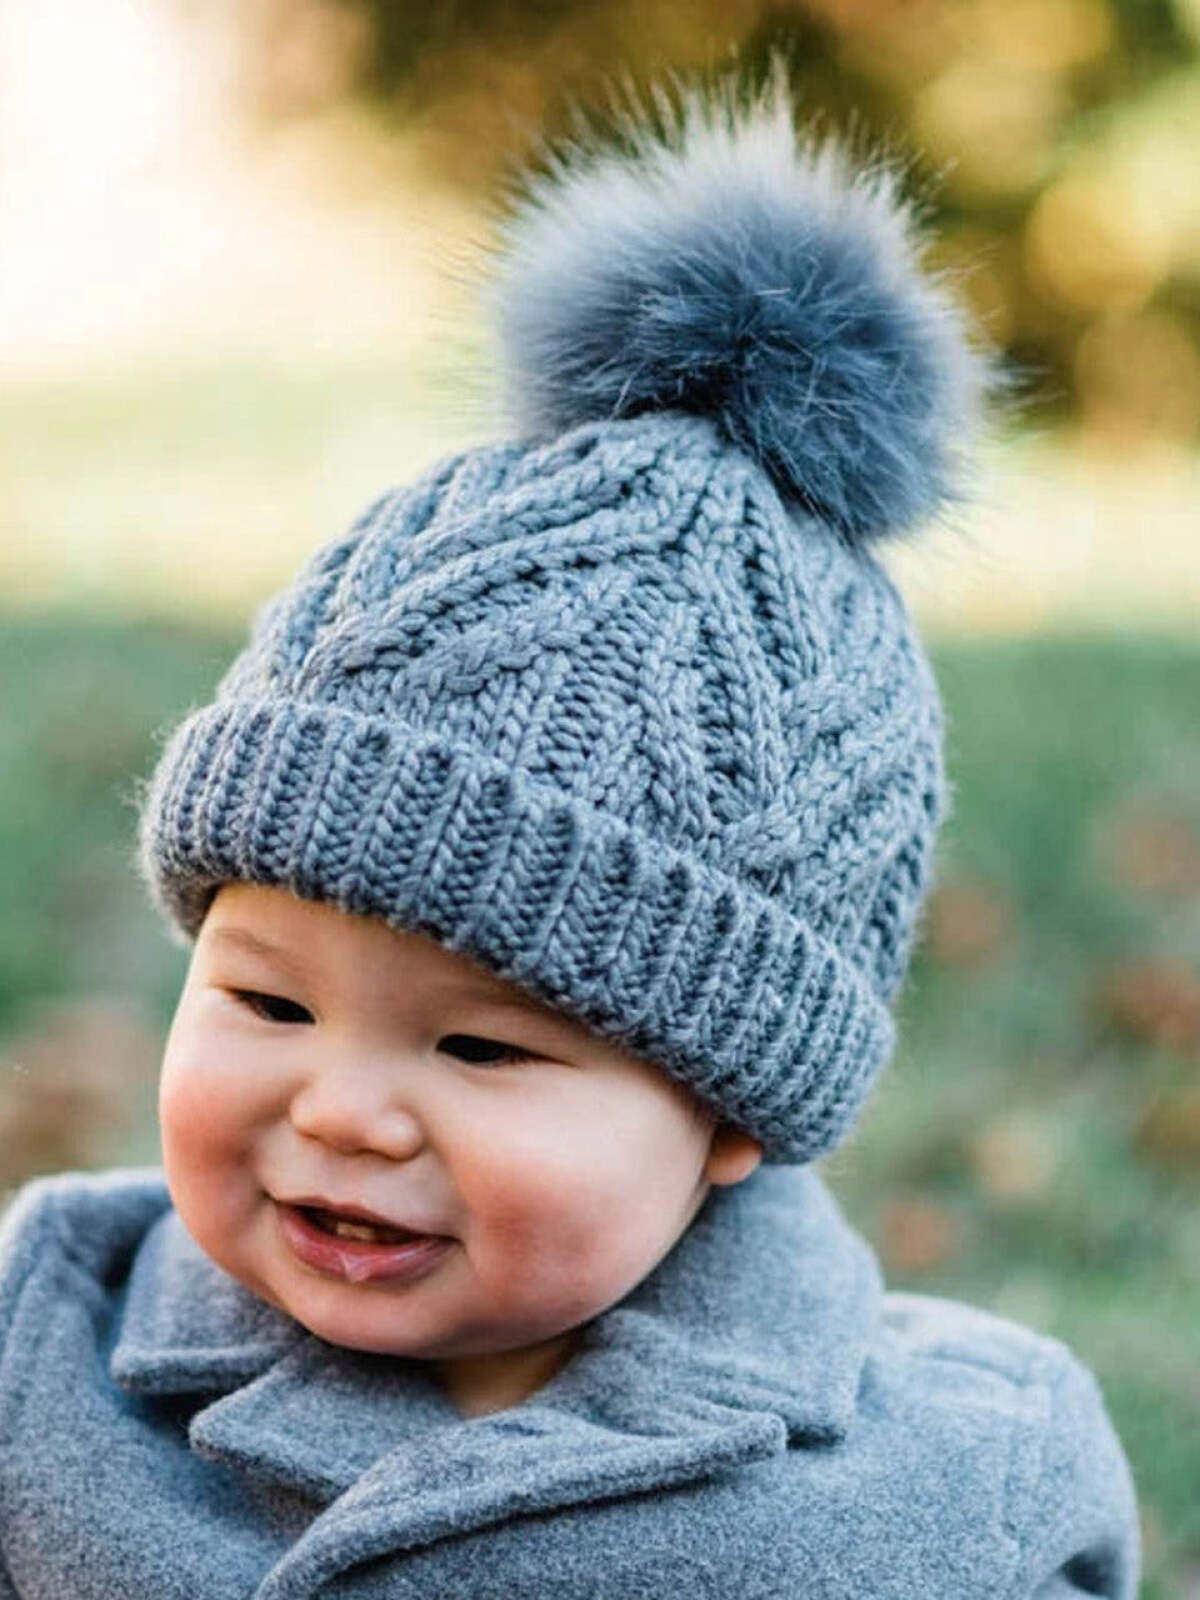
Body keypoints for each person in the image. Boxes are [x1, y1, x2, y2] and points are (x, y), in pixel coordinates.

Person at [0, 74, 1140, 1599]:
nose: (346, 1113)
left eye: (482, 1049)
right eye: (268, 1002)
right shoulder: (46, 1341)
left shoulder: (951, 1486)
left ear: (730, 1113)